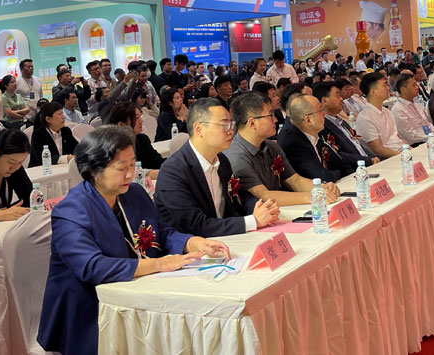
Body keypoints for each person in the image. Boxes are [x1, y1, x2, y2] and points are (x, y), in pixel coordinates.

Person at [38, 126, 230, 354]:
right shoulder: (71, 211)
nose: (130, 174)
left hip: (142, 293)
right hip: (90, 312)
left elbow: (161, 232)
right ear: (93, 169)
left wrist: (194, 242)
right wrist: (159, 264)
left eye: (132, 165)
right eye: (122, 168)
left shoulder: (134, 193)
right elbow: (92, 267)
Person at [154, 97, 280, 237]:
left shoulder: (222, 161)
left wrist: (261, 207)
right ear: (199, 129)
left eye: (231, 125)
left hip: (226, 238)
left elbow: (240, 197)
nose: (231, 131)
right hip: (195, 246)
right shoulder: (173, 171)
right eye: (224, 125)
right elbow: (195, 225)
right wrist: (253, 221)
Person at [224, 92, 340, 207]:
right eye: (270, 115)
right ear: (252, 123)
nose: (275, 119)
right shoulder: (236, 156)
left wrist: (321, 187)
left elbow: (294, 180)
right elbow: (263, 195)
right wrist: (312, 196)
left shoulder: (271, 146)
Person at [278, 93, 350, 182]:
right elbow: (321, 177)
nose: (324, 114)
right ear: (308, 120)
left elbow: (338, 160)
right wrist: (341, 173)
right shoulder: (293, 142)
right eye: (320, 110)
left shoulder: (313, 132)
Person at [314, 82, 378, 166]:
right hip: (354, 168)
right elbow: (338, 155)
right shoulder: (322, 126)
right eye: (337, 96)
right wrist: (369, 160)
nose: (341, 99)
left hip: (368, 162)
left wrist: (373, 157)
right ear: (325, 100)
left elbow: (358, 145)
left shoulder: (341, 121)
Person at [354, 73, 405, 159]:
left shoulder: (387, 112)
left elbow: (398, 139)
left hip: (401, 152)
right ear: (373, 92)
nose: (388, 88)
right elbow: (378, 150)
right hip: (389, 159)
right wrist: (404, 155)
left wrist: (411, 151)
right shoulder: (365, 118)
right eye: (384, 85)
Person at [107, 101, 165, 170]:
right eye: (137, 118)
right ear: (121, 125)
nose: (141, 121)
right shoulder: (112, 148)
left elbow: (158, 161)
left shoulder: (142, 139)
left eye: (140, 116)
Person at [390, 74, 434, 146]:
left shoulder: (417, 105)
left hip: (429, 139)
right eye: (414, 85)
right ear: (403, 89)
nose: (417, 87)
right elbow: (411, 136)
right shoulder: (398, 110)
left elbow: (428, 124)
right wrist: (432, 137)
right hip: (415, 145)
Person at [29, 101, 77, 167]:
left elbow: (77, 148)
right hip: (41, 169)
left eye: (62, 113)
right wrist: (66, 158)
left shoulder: (66, 131)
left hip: (63, 168)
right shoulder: (38, 134)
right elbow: (41, 158)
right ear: (48, 119)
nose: (63, 117)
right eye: (59, 114)